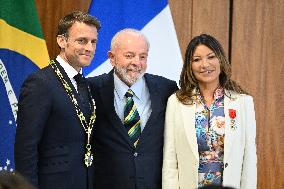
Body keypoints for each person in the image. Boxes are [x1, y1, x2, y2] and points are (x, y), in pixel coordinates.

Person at [14, 11, 101, 189]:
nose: (89, 48)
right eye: (82, 40)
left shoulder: (86, 84)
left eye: (93, 42)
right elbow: (26, 149)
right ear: (61, 41)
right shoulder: (40, 83)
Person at [162, 34, 257, 189]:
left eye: (211, 57)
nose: (205, 64)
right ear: (189, 66)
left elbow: (249, 159)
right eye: (197, 59)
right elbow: (170, 160)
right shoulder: (177, 102)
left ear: (220, 60)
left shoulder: (242, 102)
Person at [88, 28, 178, 189]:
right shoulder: (90, 89)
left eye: (142, 56)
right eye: (129, 56)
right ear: (112, 58)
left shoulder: (167, 89)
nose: (137, 62)